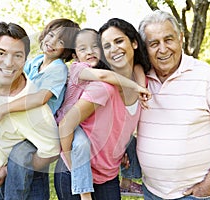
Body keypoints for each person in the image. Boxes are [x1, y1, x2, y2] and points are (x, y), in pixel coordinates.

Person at [54, 18, 151, 199]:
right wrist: (71, 165)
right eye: (107, 45)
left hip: (108, 174)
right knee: (81, 143)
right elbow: (65, 126)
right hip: (75, 171)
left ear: (135, 43)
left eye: (119, 41)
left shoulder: (142, 79)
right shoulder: (101, 87)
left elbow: (138, 66)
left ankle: (128, 181)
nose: (114, 49)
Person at [0, 22, 61, 200]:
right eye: (1, 53)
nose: (9, 63)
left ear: (25, 59)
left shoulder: (34, 107)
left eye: (17, 55)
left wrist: (9, 169)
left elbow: (53, 151)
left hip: (30, 183)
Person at [137, 10, 210, 200]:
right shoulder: (139, 80)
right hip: (152, 192)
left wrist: (209, 183)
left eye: (168, 39)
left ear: (180, 39)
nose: (162, 49)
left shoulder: (206, 75)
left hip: (195, 194)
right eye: (154, 44)